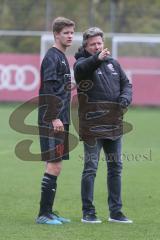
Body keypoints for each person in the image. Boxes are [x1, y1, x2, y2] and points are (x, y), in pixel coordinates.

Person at [74, 27, 133, 224]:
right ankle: (87, 212)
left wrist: (125, 98)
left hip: (114, 125)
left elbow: (127, 84)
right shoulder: (82, 65)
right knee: (90, 168)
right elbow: (82, 70)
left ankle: (116, 212)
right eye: (93, 44)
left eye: (99, 43)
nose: (97, 46)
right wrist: (97, 59)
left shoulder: (114, 64)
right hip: (92, 126)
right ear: (86, 46)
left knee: (115, 167)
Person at [36, 17, 75, 225]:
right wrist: (54, 117)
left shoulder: (61, 56)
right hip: (53, 120)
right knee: (55, 165)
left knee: (53, 164)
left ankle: (49, 211)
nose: (70, 36)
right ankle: (43, 214)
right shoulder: (52, 57)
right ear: (56, 34)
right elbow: (48, 90)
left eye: (71, 32)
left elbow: (59, 88)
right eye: (66, 32)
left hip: (61, 119)